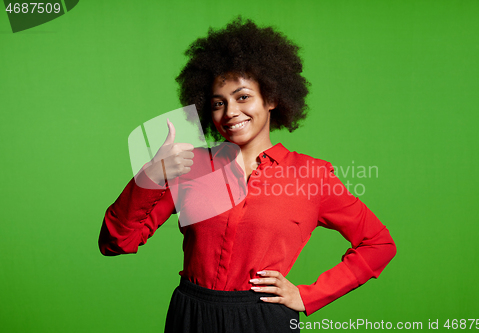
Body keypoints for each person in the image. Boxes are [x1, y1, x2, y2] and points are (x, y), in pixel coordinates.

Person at [98, 17, 397, 333]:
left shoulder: (313, 176)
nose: (230, 113)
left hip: (264, 319)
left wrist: (308, 296)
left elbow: (377, 243)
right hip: (191, 316)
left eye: (243, 97)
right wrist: (151, 176)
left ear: (271, 98)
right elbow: (116, 242)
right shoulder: (189, 166)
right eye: (218, 103)